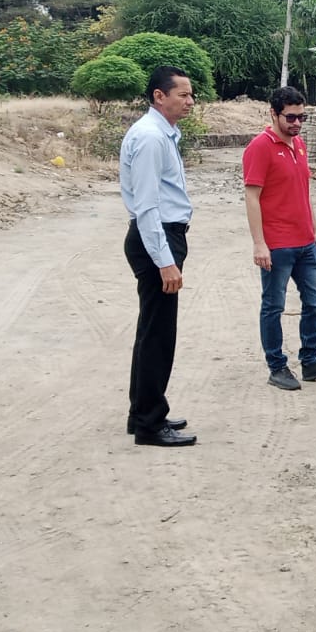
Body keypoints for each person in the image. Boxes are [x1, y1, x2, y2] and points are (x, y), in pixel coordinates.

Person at [243, 86, 316, 391]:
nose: (297, 122)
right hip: (277, 245)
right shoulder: (260, 148)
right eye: (290, 117)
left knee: (315, 301)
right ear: (273, 114)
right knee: (273, 306)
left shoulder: (299, 144)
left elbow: (304, 191)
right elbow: (252, 197)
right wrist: (259, 243)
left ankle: (310, 360)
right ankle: (277, 366)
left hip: (305, 243)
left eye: (302, 117)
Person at [121, 66, 197, 447]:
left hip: (162, 236)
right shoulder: (151, 138)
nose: (190, 101)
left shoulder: (161, 133)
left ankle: (144, 413)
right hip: (157, 238)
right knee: (158, 335)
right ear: (159, 96)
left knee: (151, 330)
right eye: (183, 94)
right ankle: (149, 424)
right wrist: (165, 261)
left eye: (191, 94)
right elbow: (148, 206)